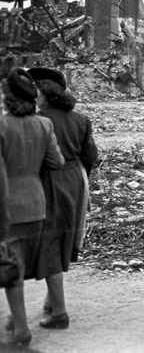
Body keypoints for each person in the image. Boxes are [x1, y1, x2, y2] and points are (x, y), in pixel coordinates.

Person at [28, 67, 99, 331]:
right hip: (76, 180)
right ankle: (50, 302)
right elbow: (90, 155)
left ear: (44, 92)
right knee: (65, 240)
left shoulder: (38, 119)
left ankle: (59, 312)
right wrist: (81, 178)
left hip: (48, 181)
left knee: (48, 244)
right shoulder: (80, 118)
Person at [1, 68, 65, 347]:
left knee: (12, 267)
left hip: (9, 205)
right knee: (21, 263)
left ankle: (22, 328)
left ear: (7, 98)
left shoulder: (2, 126)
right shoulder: (43, 125)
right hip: (37, 203)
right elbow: (57, 162)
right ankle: (16, 319)